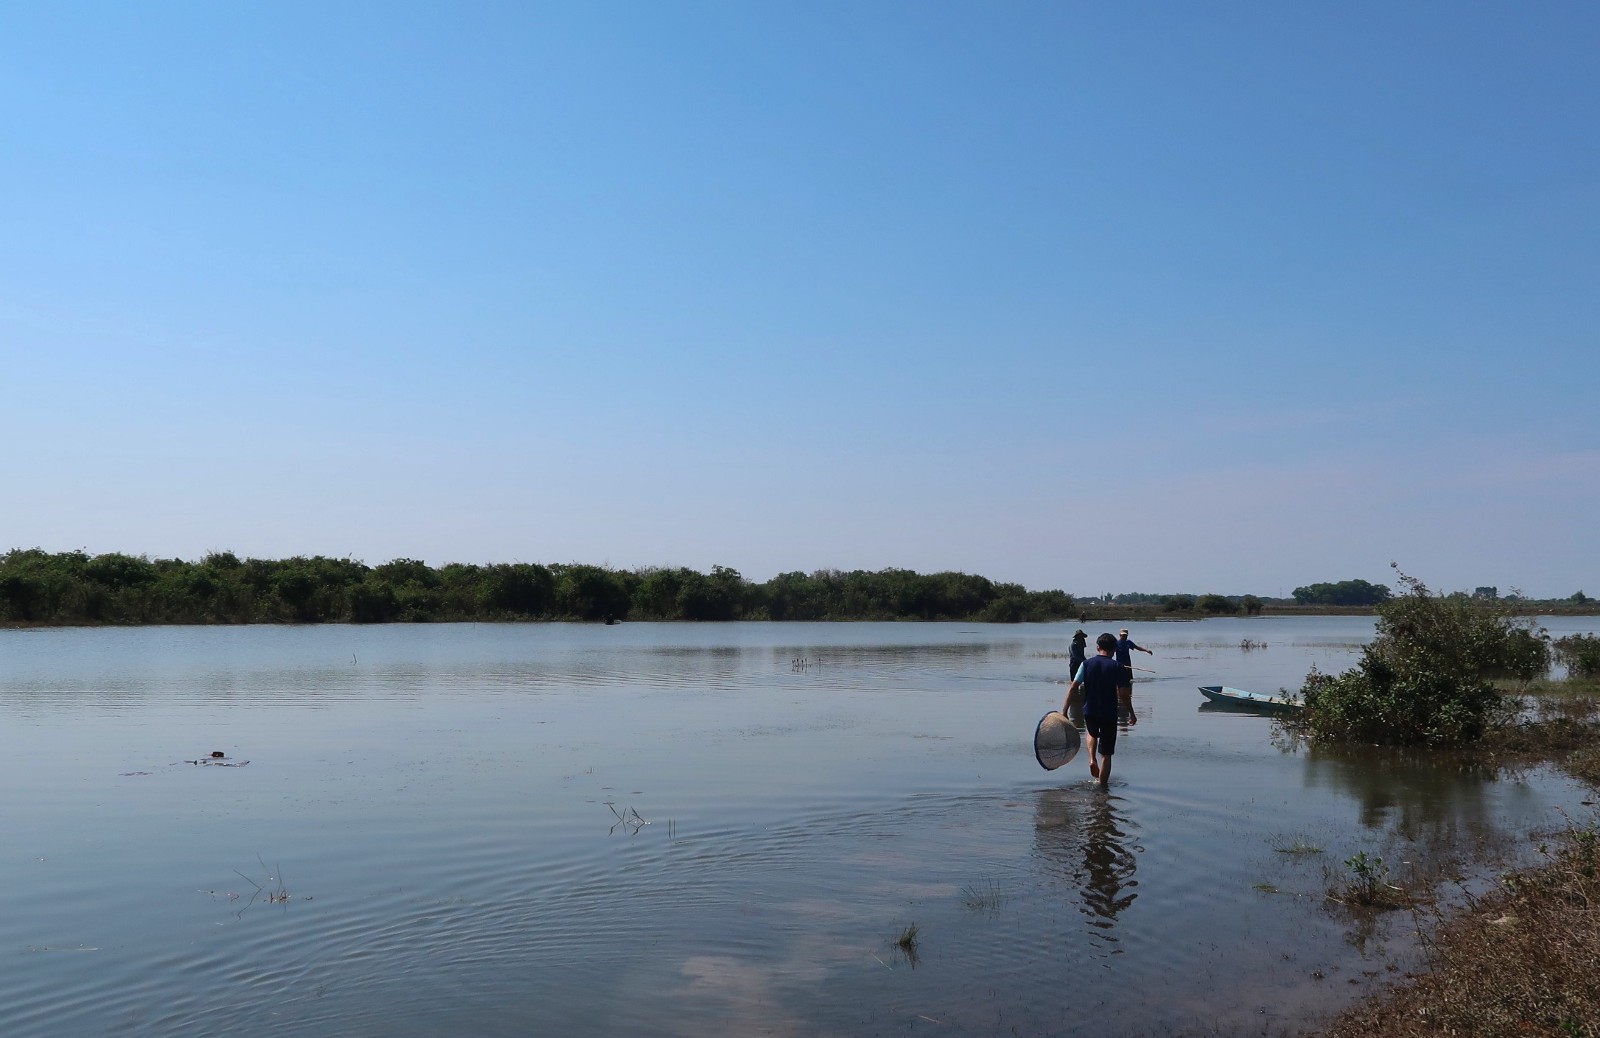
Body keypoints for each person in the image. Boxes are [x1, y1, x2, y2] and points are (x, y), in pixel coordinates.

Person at [1063, 633, 1135, 788]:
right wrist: (1131, 712)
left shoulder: (1086, 664)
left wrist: (1064, 711)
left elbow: (1073, 687)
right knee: (1107, 754)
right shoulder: (1118, 667)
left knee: (1091, 733)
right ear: (1114, 649)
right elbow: (1123, 694)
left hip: (1090, 710)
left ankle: (1091, 759)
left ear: (1097, 647)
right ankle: (1102, 789)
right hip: (1109, 712)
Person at [1115, 627, 1153, 721]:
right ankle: (1119, 694)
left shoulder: (1128, 643)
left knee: (1128, 682)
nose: (1124, 636)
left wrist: (1146, 650)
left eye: (1125, 635)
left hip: (1128, 665)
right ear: (1120, 635)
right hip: (1119, 666)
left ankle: (1127, 695)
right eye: (1122, 635)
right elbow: (1110, 652)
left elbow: (1136, 647)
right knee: (1118, 684)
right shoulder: (1116, 643)